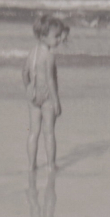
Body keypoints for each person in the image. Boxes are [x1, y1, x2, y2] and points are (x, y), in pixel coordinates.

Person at [22, 14, 69, 171]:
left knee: (33, 132)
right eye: (55, 37)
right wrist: (56, 101)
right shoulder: (49, 56)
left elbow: (24, 72)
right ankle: (50, 165)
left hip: (33, 95)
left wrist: (28, 88)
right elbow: (50, 80)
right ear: (43, 37)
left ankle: (31, 165)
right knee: (49, 133)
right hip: (47, 96)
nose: (58, 40)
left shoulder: (32, 52)